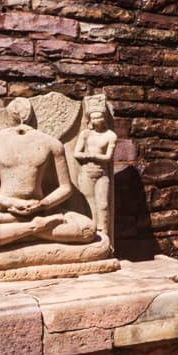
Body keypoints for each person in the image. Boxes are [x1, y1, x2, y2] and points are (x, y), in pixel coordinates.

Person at [0, 96, 97, 253]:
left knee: (87, 229)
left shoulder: (51, 144)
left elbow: (65, 188)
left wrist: (43, 204)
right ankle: (33, 230)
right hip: (4, 216)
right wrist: (9, 202)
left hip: (42, 213)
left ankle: (17, 235)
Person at [72, 94, 118, 245]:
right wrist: (93, 155)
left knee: (103, 206)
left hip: (101, 173)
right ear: (90, 120)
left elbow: (108, 157)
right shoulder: (85, 134)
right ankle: (91, 236)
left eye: (100, 117)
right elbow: (77, 153)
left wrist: (90, 155)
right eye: (94, 118)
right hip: (86, 173)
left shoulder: (110, 135)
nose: (98, 120)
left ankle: (104, 238)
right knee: (89, 205)